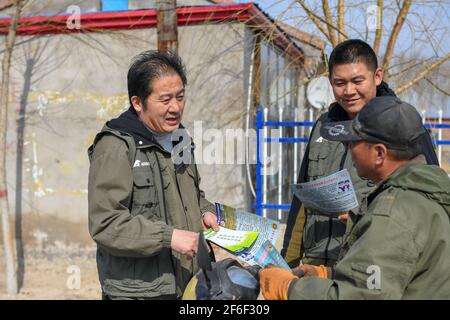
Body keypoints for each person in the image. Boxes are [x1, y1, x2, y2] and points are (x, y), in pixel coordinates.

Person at [259, 96, 450, 299]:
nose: (349, 148)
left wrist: (289, 288)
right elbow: (388, 279)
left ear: (379, 153)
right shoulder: (427, 195)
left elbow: (361, 296)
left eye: (354, 142)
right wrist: (327, 275)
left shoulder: (393, 214)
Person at [281, 39, 438, 268]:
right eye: (339, 83)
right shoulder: (323, 126)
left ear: (377, 77)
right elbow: (301, 205)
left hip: (368, 269)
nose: (348, 91)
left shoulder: (403, 127)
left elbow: (426, 204)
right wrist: (288, 264)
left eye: (357, 81)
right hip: (314, 268)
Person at [88, 50, 219, 300]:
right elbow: (105, 224)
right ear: (138, 102)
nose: (175, 107)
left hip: (187, 282)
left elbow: (191, 195)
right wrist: (168, 237)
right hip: (140, 291)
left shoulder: (181, 138)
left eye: (180, 97)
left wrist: (206, 211)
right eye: (165, 99)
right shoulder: (115, 147)